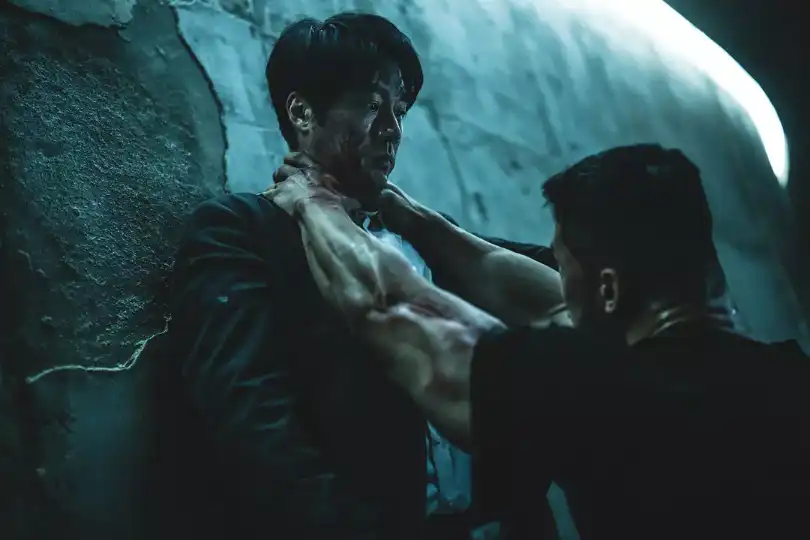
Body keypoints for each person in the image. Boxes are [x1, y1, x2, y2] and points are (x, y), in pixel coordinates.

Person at [264, 143, 810, 540]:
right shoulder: (789, 379)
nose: (558, 284)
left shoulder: (590, 388)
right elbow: (545, 299)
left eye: (562, 267)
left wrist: (316, 203)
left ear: (609, 289)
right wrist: (418, 221)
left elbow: (391, 306)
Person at [166, 12, 565, 540]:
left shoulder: (420, 228)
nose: (393, 130)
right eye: (373, 106)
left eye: (399, 111)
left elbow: (568, 282)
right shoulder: (242, 229)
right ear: (302, 113)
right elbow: (252, 421)